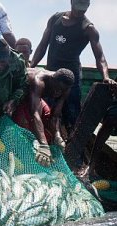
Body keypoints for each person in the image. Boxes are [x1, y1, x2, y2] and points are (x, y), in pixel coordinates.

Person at [30, 0, 116, 132]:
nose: (80, 11)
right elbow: (42, 46)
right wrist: (31, 66)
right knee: (46, 112)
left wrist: (105, 76)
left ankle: (71, 146)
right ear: (71, 2)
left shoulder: (89, 29)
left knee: (72, 116)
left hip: (72, 80)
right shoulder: (55, 19)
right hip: (51, 75)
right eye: (78, 7)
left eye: (83, 9)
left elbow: (100, 57)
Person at [12, 68, 75, 166]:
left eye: (61, 91)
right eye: (57, 88)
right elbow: (35, 113)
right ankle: (19, 153)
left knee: (46, 116)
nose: (58, 92)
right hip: (21, 95)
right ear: (52, 80)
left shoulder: (66, 87)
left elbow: (55, 116)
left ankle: (43, 150)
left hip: (36, 99)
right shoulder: (39, 81)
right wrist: (43, 144)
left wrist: (57, 135)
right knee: (25, 123)